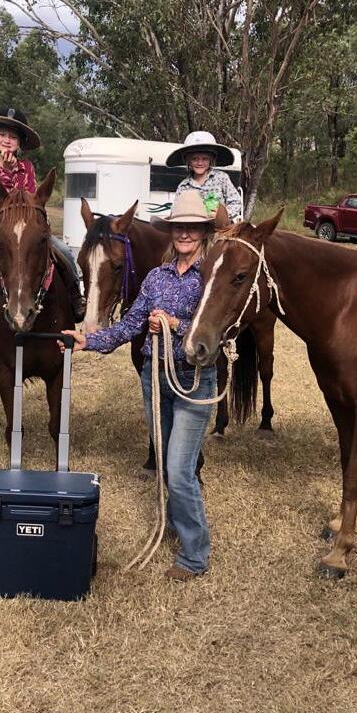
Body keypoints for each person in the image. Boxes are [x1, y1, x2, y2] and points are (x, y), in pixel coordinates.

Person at [61, 191, 218, 581]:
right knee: (165, 462)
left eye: (192, 228)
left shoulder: (212, 277)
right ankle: (178, 522)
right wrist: (88, 341)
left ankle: (195, 555)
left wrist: (174, 325)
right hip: (154, 376)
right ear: (171, 232)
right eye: (179, 228)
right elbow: (130, 325)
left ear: (203, 232)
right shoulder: (156, 277)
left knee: (179, 469)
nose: (184, 234)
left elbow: (217, 332)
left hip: (193, 380)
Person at [0, 106, 84, 341]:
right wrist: (5, 170)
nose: (7, 140)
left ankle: (76, 297)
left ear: (20, 143)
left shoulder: (27, 168)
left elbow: (30, 197)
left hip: (26, 227)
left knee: (64, 251)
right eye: (2, 134)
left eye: (13, 137)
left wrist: (14, 169)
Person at [166, 130, 243, 222]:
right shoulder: (183, 186)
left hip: (219, 227)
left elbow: (236, 202)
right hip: (193, 227)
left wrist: (221, 216)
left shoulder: (221, 178)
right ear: (188, 161)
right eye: (195, 159)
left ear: (211, 160)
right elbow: (176, 211)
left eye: (205, 159)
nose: (200, 163)